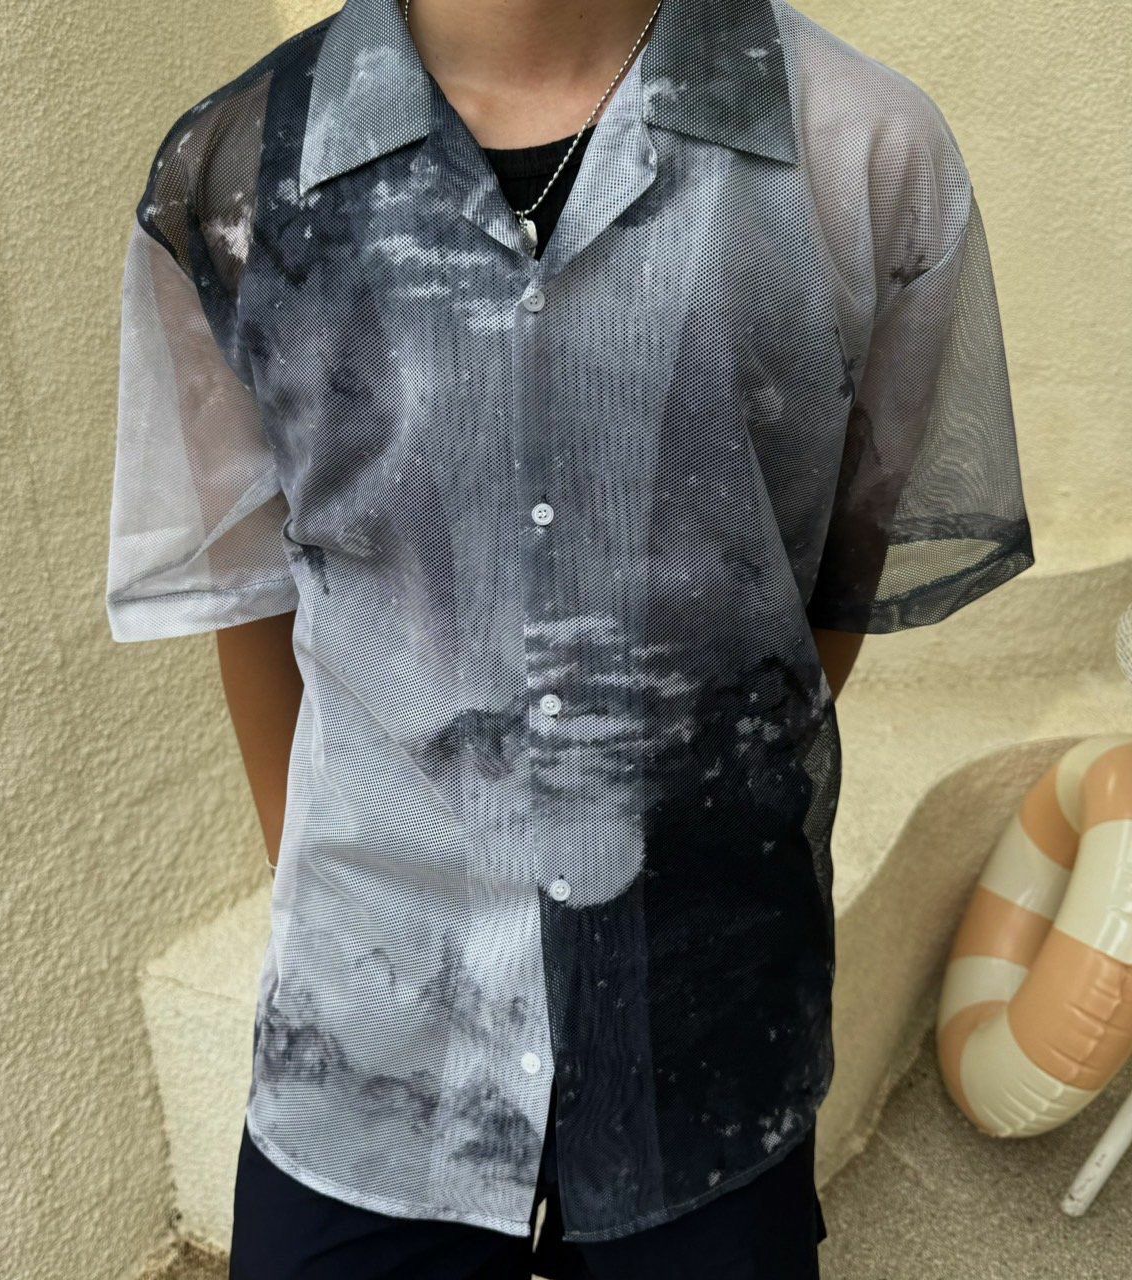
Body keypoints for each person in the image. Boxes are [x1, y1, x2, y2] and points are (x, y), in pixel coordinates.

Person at [104, 0, 1035, 1275]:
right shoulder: (231, 176)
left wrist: (663, 788)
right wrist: (341, 910)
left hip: (704, 1044)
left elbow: (818, 592)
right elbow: (255, 596)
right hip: (366, 1057)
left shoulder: (859, 151)